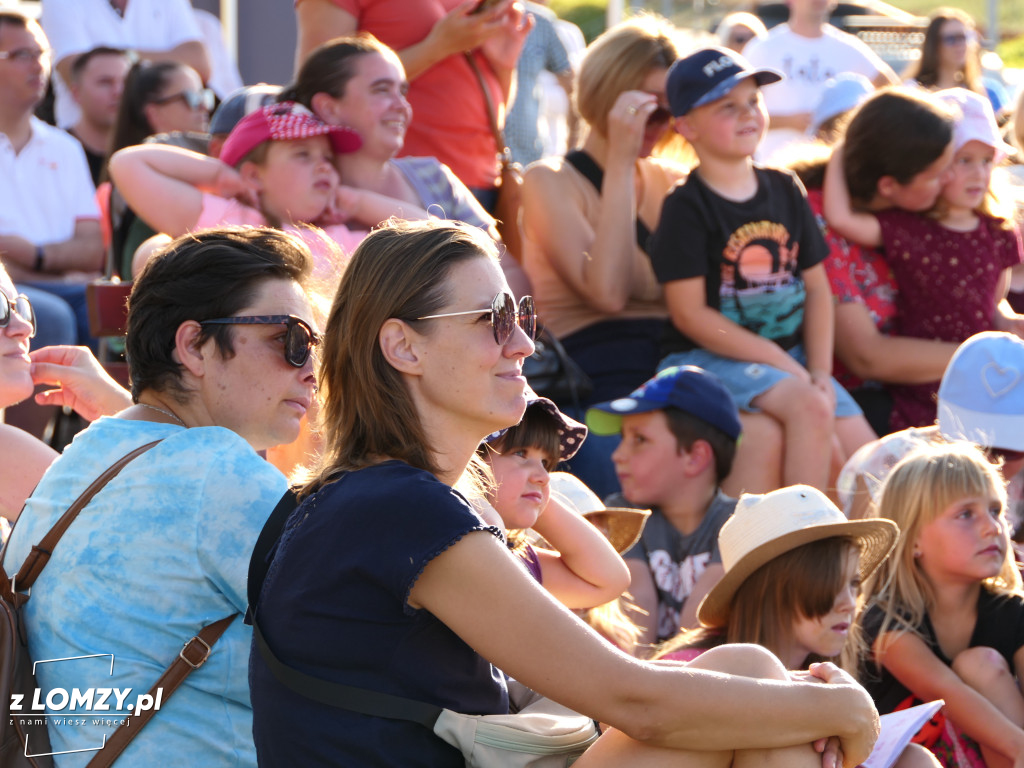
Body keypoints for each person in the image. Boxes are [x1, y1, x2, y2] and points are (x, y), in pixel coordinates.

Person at [248, 218, 880, 768]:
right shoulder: (395, 507)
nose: (524, 342)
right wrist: (843, 705)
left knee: (751, 674)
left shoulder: (371, 497)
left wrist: (805, 705)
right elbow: (633, 700)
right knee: (776, 703)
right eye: (493, 321)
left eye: (519, 316)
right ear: (403, 347)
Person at [4, 226, 317, 766]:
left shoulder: (81, 458)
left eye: (315, 345)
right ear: (193, 345)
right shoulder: (219, 473)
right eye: (288, 340)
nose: (311, 369)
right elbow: (377, 646)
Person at [650, 46, 875, 494]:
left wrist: (820, 371)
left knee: (872, 464)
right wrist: (789, 369)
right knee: (812, 410)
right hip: (707, 359)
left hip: (790, 360)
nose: (748, 114)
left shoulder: (784, 187)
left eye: (753, 101)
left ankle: (857, 560)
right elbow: (690, 315)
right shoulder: (685, 207)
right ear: (686, 126)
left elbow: (816, 288)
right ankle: (798, 547)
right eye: (727, 107)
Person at [520, 16, 703, 498]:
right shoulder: (549, 180)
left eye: (671, 111)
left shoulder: (671, 182)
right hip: (595, 376)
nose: (660, 126)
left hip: (673, 365)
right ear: (608, 95)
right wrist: (621, 163)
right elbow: (608, 293)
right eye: (648, 109)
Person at [655, 485, 939, 768]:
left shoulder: (826, 671)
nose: (849, 603)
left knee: (915, 760)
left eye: (853, 584)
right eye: (828, 583)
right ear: (772, 590)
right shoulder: (692, 666)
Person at [825, 87, 1024, 432]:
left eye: (986, 160)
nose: (978, 173)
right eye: (963, 161)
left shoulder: (999, 230)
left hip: (984, 379)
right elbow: (841, 218)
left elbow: (994, 304)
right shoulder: (909, 228)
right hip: (919, 380)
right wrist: (843, 150)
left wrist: (1008, 322)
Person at [284, 34, 530, 298]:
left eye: (402, 91)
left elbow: (510, 274)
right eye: (381, 89)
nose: (402, 106)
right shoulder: (293, 193)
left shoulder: (434, 176)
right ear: (329, 108)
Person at [108, 100, 428, 279]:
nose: (323, 166)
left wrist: (355, 201)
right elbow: (128, 164)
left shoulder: (338, 238)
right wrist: (222, 177)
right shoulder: (231, 224)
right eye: (302, 155)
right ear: (254, 176)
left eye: (328, 158)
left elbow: (428, 235)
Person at [861, 442, 1024, 767]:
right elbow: (946, 692)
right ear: (914, 538)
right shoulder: (886, 618)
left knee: (981, 664)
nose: (992, 527)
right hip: (908, 759)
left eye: (995, 511)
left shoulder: (1010, 612)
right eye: (966, 514)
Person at [814, 88, 959, 434]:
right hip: (854, 404)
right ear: (889, 185)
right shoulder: (819, 221)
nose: (949, 179)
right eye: (937, 174)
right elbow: (866, 356)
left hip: (917, 390)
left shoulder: (909, 214)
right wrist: (986, 355)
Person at [293, 0, 531, 207]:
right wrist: (438, 46)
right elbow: (316, 85)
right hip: (396, 185)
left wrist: (504, 66)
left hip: (482, 181)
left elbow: (494, 110)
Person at [586, 365, 741, 646]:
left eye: (639, 440)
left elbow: (696, 631)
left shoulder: (739, 522)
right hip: (645, 673)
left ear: (695, 457)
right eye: (622, 439)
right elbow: (636, 623)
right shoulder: (622, 511)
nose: (617, 455)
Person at [838, 331, 1024, 534]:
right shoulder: (889, 465)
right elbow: (862, 559)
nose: (987, 462)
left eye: (1008, 452)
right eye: (979, 448)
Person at [478, 390, 631, 608]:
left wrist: (538, 501)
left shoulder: (516, 559)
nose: (543, 476)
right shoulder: (448, 543)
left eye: (546, 463)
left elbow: (610, 581)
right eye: (521, 453)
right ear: (473, 460)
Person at [742, 0, 898, 161]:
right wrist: (789, 121)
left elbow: (893, 90)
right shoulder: (762, 48)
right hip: (773, 167)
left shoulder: (849, 47)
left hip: (831, 171)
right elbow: (739, 109)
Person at [40, 0, 210, 130]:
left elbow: (200, 65)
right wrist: (166, 64)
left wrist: (120, 58)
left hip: (161, 145)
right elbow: (76, 73)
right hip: (88, 151)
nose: (116, 89)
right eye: (108, 81)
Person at [903, 7, 1010, 120]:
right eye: (951, 39)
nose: (960, 45)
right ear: (934, 45)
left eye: (964, 37)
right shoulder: (912, 90)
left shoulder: (982, 91)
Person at [505, 0, 574, 167]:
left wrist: (573, 150)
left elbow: (572, 86)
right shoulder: (464, 14)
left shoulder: (540, 23)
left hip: (527, 156)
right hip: (474, 157)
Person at [66, 46, 131, 187]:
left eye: (126, 83)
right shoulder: (55, 152)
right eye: (105, 82)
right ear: (76, 93)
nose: (118, 92)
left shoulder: (143, 151)